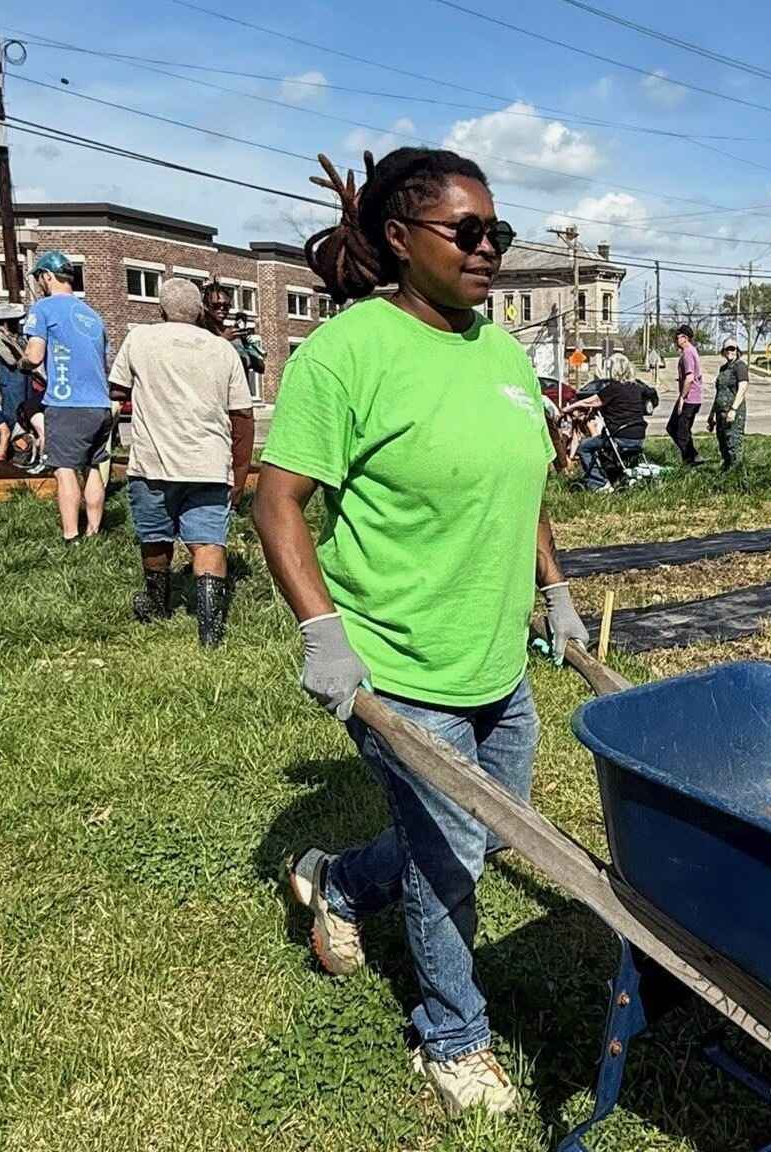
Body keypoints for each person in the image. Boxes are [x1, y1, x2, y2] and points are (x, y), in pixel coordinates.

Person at [252, 146, 589, 1119]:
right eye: (467, 233)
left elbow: (518, 484)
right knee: (450, 864)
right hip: (397, 664)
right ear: (401, 239)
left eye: (499, 234)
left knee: (487, 840)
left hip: (493, 663)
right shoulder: (349, 352)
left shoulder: (499, 352)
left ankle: (338, 882)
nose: (488, 251)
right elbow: (277, 503)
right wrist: (323, 632)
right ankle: (452, 1039)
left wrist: (555, 591)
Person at [108, 279, 256, 647]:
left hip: (153, 463)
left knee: (155, 537)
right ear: (201, 311)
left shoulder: (140, 339)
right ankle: (210, 632)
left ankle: (157, 605)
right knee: (208, 543)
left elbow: (116, 390)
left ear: (160, 310)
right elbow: (242, 415)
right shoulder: (224, 351)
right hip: (209, 463)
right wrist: (239, 475)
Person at [17, 250, 111, 542]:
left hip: (67, 403)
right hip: (101, 404)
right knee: (94, 466)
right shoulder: (93, 316)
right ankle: (94, 532)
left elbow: (34, 356)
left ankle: (71, 536)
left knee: (64, 469)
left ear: (46, 276)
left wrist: (21, 363)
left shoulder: (43, 308)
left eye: (40, 278)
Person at [565, 353, 649, 491]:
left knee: (584, 447)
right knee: (603, 446)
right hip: (638, 438)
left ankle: (599, 483)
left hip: (619, 438)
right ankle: (615, 476)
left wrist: (570, 407)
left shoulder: (613, 388)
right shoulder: (637, 388)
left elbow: (592, 401)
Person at [201, 281, 267, 382]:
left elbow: (260, 367)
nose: (222, 309)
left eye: (226, 306)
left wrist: (248, 346)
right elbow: (200, 361)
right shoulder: (200, 331)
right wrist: (224, 340)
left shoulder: (234, 333)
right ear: (205, 306)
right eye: (216, 305)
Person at [0, 303, 34, 434]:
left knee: (28, 410)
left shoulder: (17, 336)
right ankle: (15, 442)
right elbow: (10, 360)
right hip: (11, 379)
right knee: (13, 413)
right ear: (6, 321)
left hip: (25, 378)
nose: (17, 323)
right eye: (14, 320)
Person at [707, 336, 750, 471]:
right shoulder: (723, 369)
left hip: (733, 413)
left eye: (733, 348)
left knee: (733, 443)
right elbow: (719, 392)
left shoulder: (740, 366)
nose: (730, 351)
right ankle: (727, 471)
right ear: (723, 351)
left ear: (737, 350)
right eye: (727, 349)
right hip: (721, 413)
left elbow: (743, 387)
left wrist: (733, 409)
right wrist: (711, 415)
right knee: (723, 443)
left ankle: (737, 474)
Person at [667, 324, 703, 465]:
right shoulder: (692, 351)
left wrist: (682, 398)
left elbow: (689, 377)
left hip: (690, 398)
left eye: (678, 336)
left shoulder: (688, 353)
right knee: (682, 430)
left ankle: (691, 460)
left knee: (678, 431)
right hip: (693, 398)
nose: (676, 339)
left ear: (685, 338)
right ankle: (692, 457)